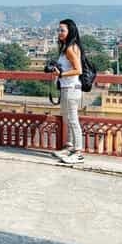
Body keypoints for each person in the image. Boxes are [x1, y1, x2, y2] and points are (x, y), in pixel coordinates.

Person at [49, 19, 85, 164]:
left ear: (70, 31)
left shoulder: (70, 48)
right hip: (67, 87)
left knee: (73, 120)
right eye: (58, 30)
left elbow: (78, 70)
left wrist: (61, 74)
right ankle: (70, 147)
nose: (59, 33)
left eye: (62, 30)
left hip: (71, 88)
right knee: (67, 119)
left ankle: (78, 152)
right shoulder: (67, 47)